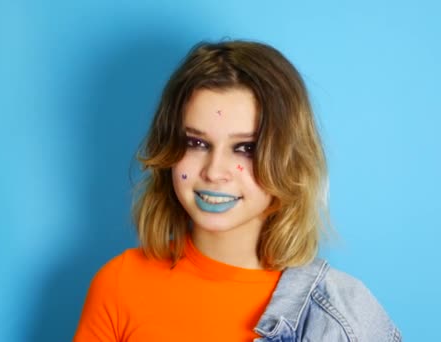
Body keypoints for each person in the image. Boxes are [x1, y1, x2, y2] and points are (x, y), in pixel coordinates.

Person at [73, 39, 401, 342]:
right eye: (197, 143)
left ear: (286, 159)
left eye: (245, 148)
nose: (215, 172)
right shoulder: (120, 285)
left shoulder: (338, 315)